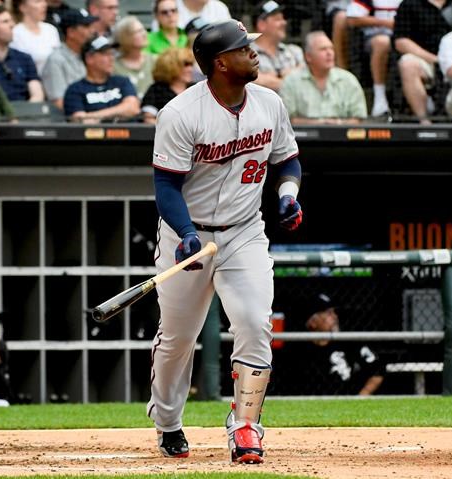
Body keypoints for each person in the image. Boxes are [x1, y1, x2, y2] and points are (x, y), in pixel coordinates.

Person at [149, 19, 302, 463]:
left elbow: (288, 161)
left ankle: (247, 426)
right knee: (178, 339)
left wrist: (287, 196)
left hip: (244, 232)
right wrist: (187, 233)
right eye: (244, 49)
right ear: (220, 63)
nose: (254, 53)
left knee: (255, 323)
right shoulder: (180, 113)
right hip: (187, 233)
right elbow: (166, 188)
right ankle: (168, 421)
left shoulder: (269, 103)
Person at [292, 293, 385, 395]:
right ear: (313, 323)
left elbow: (377, 369)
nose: (335, 317)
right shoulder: (299, 351)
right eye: (328, 313)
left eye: (334, 312)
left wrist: (360, 397)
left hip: (347, 401)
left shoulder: (348, 343)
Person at [280, 30, 367, 124]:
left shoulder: (349, 80)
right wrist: (320, 124)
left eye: (331, 48)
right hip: (300, 138)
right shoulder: (291, 82)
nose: (329, 53)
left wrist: (337, 124)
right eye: (323, 49)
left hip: (341, 138)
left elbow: (358, 119)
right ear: (308, 56)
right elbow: (287, 120)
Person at [393, 0, 452, 123]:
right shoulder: (410, 4)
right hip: (428, 61)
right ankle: (424, 120)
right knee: (407, 64)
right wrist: (435, 59)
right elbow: (401, 42)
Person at [63, 34, 139, 122]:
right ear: (89, 58)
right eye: (106, 54)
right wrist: (120, 110)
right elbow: (80, 121)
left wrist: (93, 116)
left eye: (112, 54)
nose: (111, 58)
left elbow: (133, 108)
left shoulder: (123, 82)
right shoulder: (75, 90)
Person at [0, 5, 45, 102]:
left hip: (25, 113)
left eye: (11, 20)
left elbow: (37, 94)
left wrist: (26, 111)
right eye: (5, 22)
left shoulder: (24, 59)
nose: (12, 25)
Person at [346, 0, 401, 117]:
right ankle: (380, 98)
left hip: (405, 38)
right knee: (382, 42)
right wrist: (386, 23)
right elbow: (352, 18)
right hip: (373, 38)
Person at [41, 7, 97, 110]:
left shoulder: (92, 55)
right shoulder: (56, 60)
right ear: (71, 32)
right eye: (86, 26)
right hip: (74, 121)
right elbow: (58, 101)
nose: (92, 31)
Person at [251, 1, 305, 93]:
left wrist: (270, 78)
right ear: (261, 25)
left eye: (283, 19)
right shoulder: (246, 53)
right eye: (278, 19)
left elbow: (307, 79)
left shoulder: (295, 51)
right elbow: (250, 82)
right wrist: (288, 75)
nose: (284, 22)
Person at [141, 47, 194, 123]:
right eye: (185, 65)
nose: (190, 69)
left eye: (191, 64)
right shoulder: (156, 90)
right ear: (169, 66)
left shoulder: (196, 88)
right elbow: (148, 119)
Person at [10, 0, 61, 75]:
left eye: (44, 1)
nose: (44, 4)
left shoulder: (51, 29)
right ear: (22, 7)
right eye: (38, 1)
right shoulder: (15, 33)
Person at [113, 16, 155, 99]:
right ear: (125, 37)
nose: (144, 34)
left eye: (143, 29)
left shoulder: (154, 60)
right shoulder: (113, 67)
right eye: (138, 31)